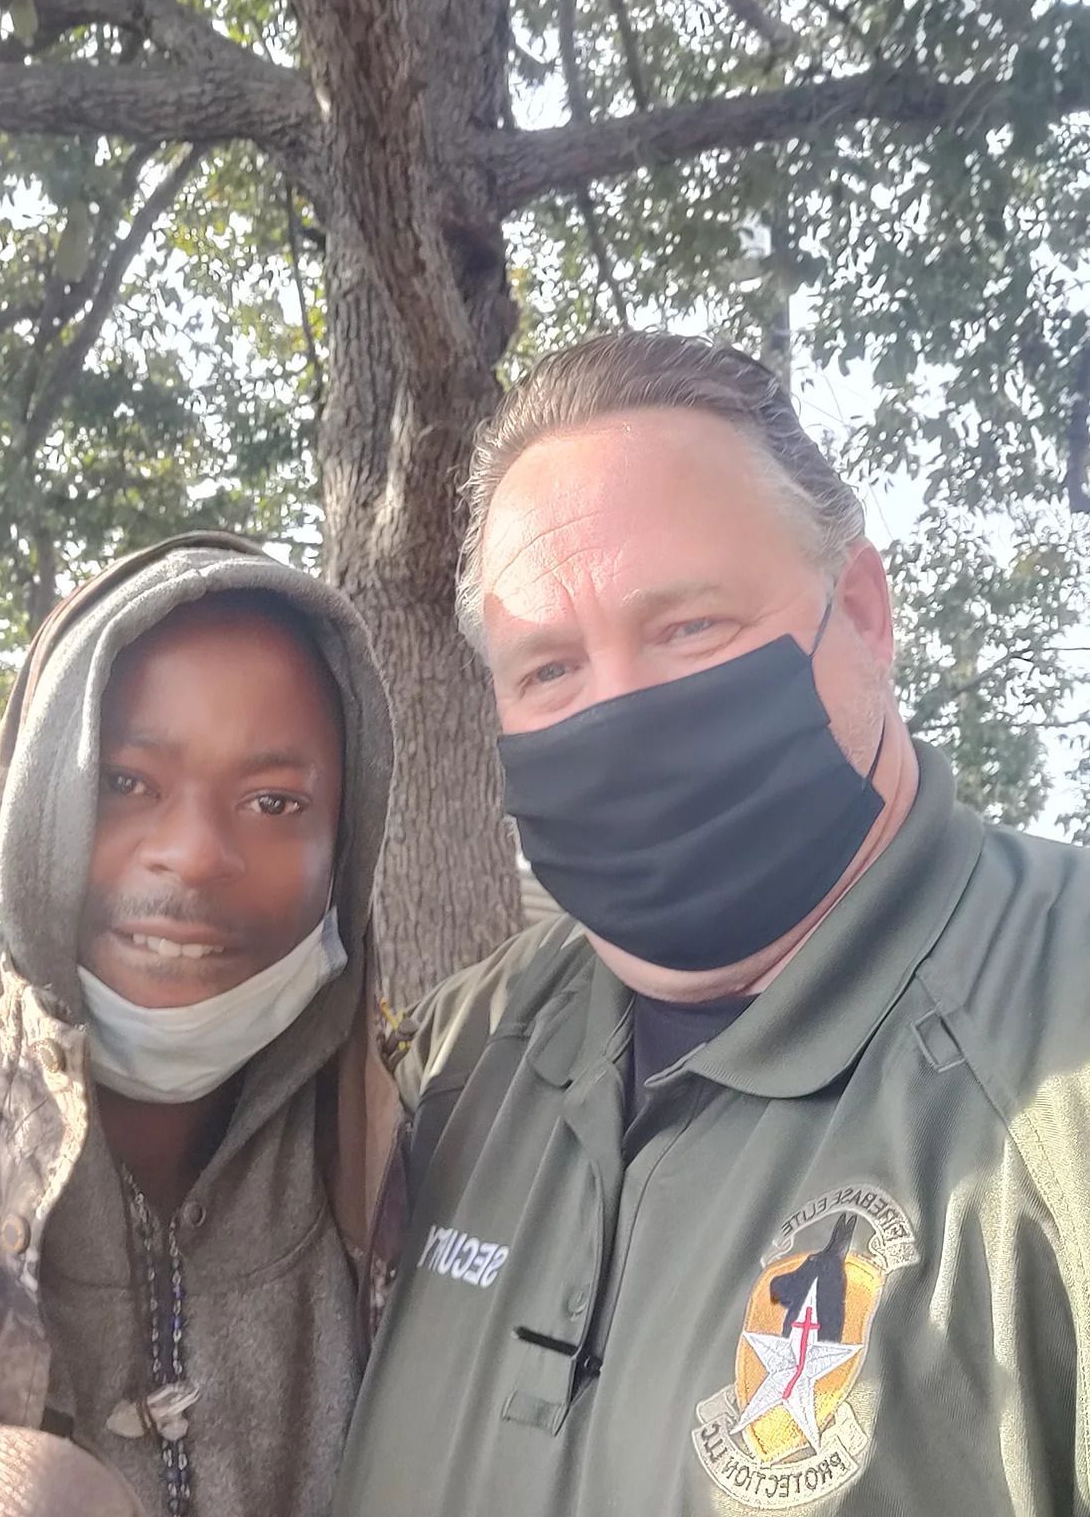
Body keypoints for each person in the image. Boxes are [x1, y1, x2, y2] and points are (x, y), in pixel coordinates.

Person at [333, 332, 1090, 1516]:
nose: (622, 716)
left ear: (862, 613)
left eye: (689, 628)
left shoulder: (1061, 1040)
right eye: (547, 671)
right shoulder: (461, 1056)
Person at [0, 531, 401, 1517]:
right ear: (25, 804)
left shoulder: (417, 1194)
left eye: (274, 801)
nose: (195, 855)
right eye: (124, 782)